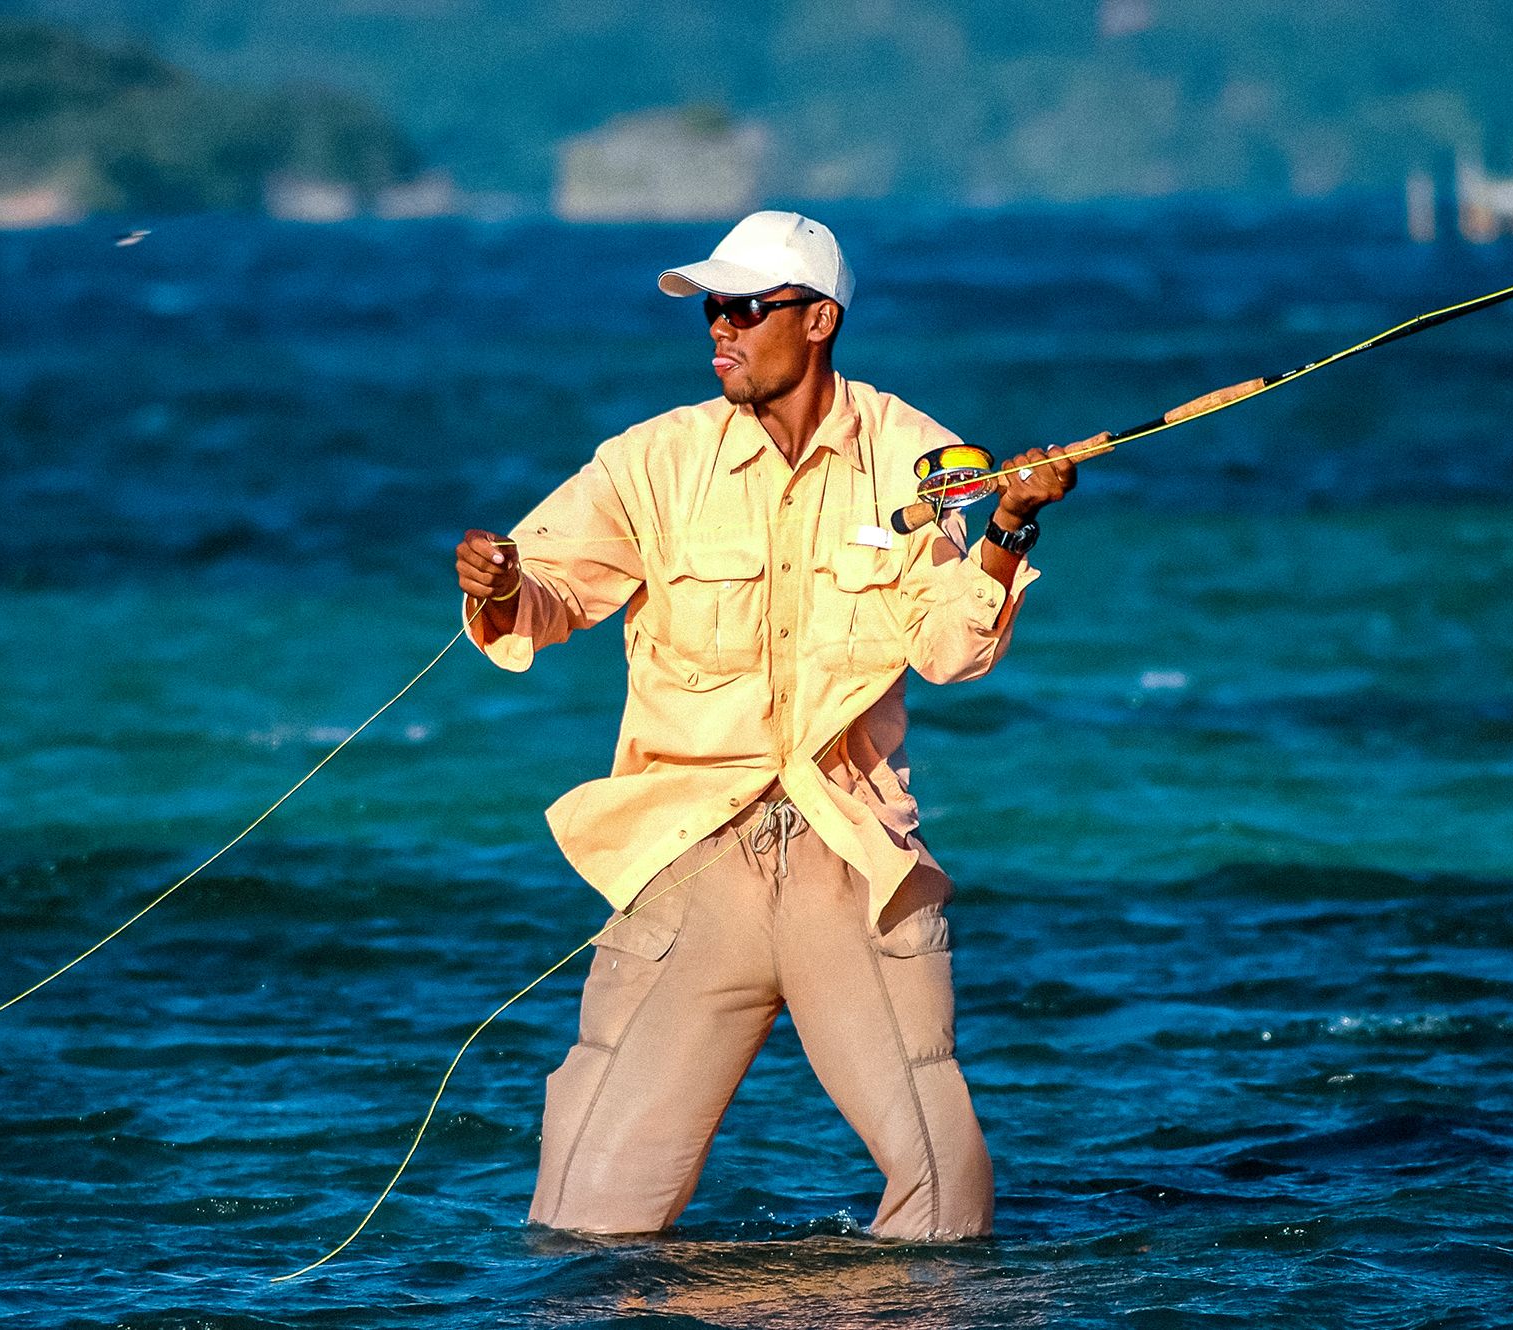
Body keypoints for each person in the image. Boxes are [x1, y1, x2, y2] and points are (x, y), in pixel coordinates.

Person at [453, 210, 1081, 1240]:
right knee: (581, 1225)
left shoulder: (919, 459)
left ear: (820, 318)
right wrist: (499, 583)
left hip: (849, 868)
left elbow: (947, 651)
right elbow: (544, 598)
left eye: (746, 306)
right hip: (689, 865)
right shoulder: (648, 460)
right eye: (712, 308)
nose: (720, 328)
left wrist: (1007, 529)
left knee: (940, 1200)